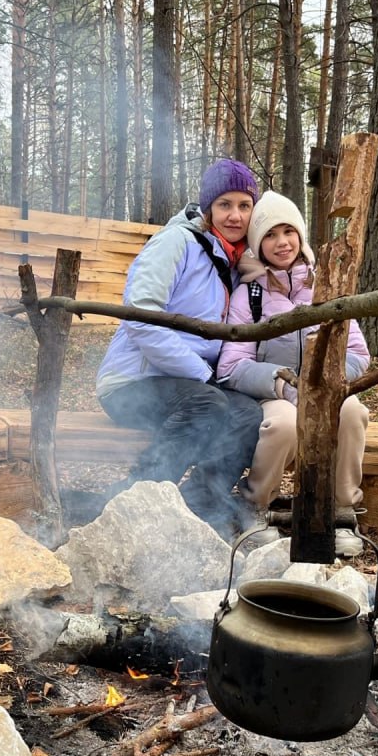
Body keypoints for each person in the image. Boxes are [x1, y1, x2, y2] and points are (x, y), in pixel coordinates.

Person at [95, 159, 265, 537]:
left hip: (192, 386)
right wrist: (203, 375)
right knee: (209, 403)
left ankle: (201, 506)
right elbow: (140, 317)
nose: (235, 215)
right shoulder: (177, 242)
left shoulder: (235, 260)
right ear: (208, 208)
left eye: (244, 205)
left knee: (248, 414)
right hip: (132, 383)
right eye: (224, 205)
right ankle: (135, 504)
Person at [216, 190, 371, 556]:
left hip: (326, 390)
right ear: (258, 243)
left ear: (300, 236)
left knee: (352, 412)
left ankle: (342, 512)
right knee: (283, 423)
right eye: (269, 234)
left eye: (288, 231)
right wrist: (285, 384)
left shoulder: (327, 287)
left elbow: (358, 353)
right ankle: (255, 507)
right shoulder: (249, 297)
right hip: (274, 395)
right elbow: (231, 366)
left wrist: (326, 384)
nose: (281, 242)